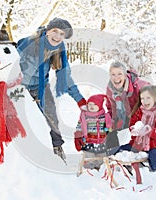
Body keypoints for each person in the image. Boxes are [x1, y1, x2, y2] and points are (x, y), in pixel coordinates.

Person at [17, 18, 86, 162]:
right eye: (55, 31)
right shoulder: (30, 43)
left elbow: (65, 76)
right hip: (20, 85)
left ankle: (56, 150)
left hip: (40, 86)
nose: (58, 36)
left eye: (62, 34)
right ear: (48, 31)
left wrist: (80, 100)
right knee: (24, 118)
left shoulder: (59, 49)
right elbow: (10, 64)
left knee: (52, 117)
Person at [106, 61, 156, 173]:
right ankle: (122, 161)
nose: (116, 78)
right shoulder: (110, 88)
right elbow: (110, 107)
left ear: (125, 75)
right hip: (132, 116)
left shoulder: (141, 85)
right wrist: (111, 123)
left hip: (151, 115)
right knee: (140, 143)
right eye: (113, 74)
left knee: (154, 145)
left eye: (119, 74)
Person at [74, 94, 112, 170]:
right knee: (89, 160)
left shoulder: (105, 117)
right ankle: (89, 173)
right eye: (90, 104)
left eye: (95, 104)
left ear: (100, 105)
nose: (92, 106)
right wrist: (78, 135)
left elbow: (110, 127)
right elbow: (79, 126)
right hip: (88, 143)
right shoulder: (85, 116)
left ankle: (99, 172)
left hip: (102, 144)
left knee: (101, 161)